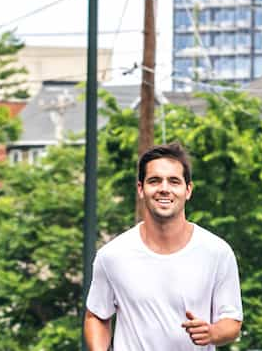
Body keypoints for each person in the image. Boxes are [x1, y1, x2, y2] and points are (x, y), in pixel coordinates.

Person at [85, 143, 244, 350]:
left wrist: (212, 332)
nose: (164, 188)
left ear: (188, 190)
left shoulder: (217, 252)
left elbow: (232, 322)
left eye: (174, 181)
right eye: (154, 181)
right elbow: (96, 316)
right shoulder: (112, 255)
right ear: (141, 189)